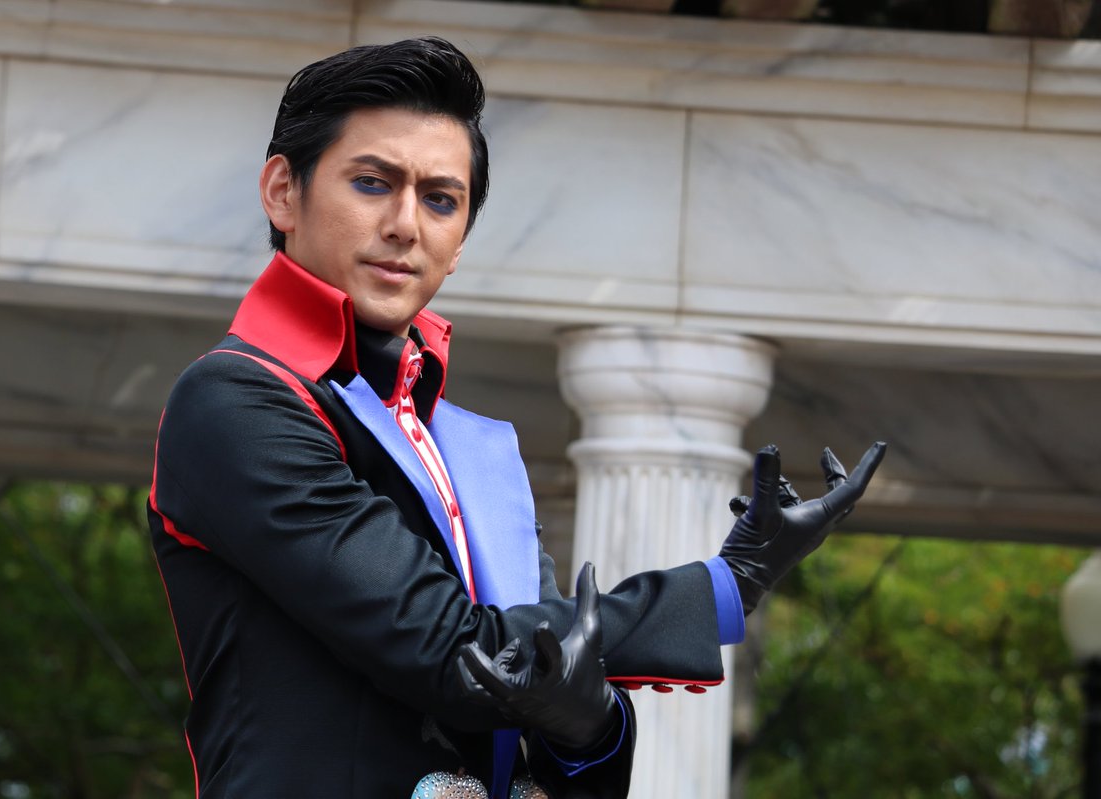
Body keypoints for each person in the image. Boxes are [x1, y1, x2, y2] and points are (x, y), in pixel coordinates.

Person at [146, 36, 886, 799]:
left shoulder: (467, 449)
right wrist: (724, 585)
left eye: (441, 199)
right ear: (282, 192)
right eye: (372, 183)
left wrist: (587, 723)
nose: (406, 224)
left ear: (460, 241)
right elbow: (454, 649)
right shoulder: (236, 399)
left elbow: (553, 713)